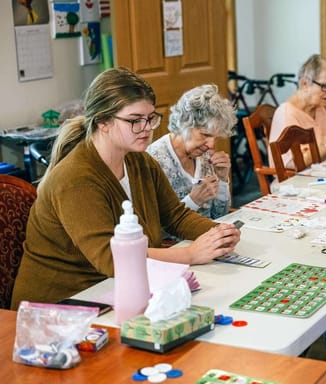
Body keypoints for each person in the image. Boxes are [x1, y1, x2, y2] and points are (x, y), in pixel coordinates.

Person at [11, 67, 241, 309]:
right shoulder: (75, 179)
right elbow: (111, 259)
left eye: (150, 118)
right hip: (60, 307)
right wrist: (190, 255)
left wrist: (218, 233)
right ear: (103, 122)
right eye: (134, 121)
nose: (146, 128)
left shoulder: (138, 160)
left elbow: (175, 215)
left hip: (113, 289)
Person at [147, 84, 236, 219]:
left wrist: (223, 179)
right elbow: (153, 227)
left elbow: (219, 215)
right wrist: (193, 201)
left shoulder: (204, 155)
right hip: (178, 241)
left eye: (214, 137)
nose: (211, 145)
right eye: (205, 135)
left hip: (209, 235)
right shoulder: (153, 160)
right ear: (184, 124)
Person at [268, 54, 326, 169]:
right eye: (324, 86)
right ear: (305, 84)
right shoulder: (287, 114)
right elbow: (297, 164)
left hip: (325, 170)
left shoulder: (318, 108)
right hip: (296, 180)